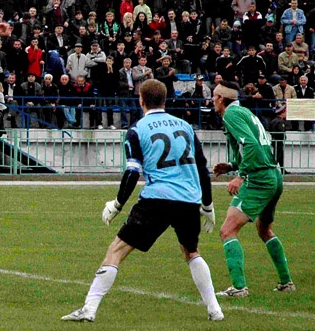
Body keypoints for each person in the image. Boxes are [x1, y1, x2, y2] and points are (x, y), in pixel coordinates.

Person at [62, 79, 222, 323]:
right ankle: (215, 310)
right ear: (165, 99)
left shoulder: (137, 129)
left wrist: (117, 204)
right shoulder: (185, 126)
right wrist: (208, 205)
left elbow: (132, 171)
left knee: (116, 250)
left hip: (157, 198)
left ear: (141, 100)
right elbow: (202, 168)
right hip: (189, 199)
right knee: (191, 252)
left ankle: (89, 309)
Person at [211, 81, 295, 297]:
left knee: (227, 231)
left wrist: (241, 175)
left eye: (214, 97)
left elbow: (250, 144)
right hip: (273, 175)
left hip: (259, 178)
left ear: (221, 99)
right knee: (264, 229)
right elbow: (258, 145)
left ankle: (239, 288)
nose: (212, 101)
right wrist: (232, 165)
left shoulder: (231, 115)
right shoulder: (245, 112)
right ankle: (286, 283)